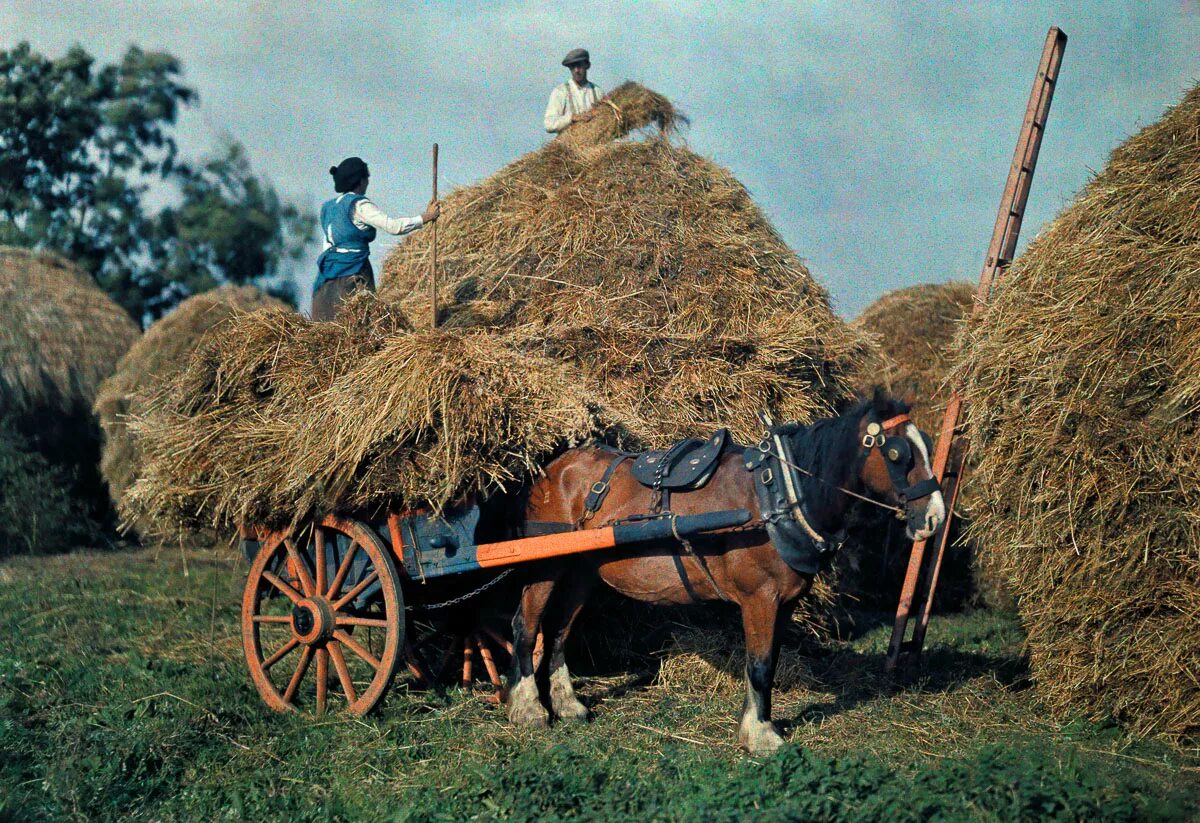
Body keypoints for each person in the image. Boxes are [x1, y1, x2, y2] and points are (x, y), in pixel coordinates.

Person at [311, 157, 440, 321]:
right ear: (360, 180)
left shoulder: (328, 207)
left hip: (325, 277)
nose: (368, 183)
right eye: (367, 178)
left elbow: (328, 244)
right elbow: (393, 226)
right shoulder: (359, 206)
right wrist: (426, 217)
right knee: (366, 327)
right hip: (353, 272)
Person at [543, 48, 601, 134]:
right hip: (569, 146)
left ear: (587, 65)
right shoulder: (560, 91)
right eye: (573, 67)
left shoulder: (597, 92)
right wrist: (572, 118)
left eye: (579, 66)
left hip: (595, 145)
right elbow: (549, 124)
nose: (576, 70)